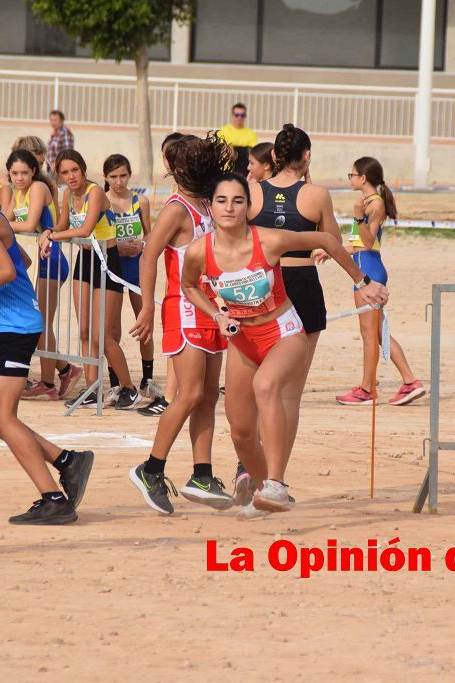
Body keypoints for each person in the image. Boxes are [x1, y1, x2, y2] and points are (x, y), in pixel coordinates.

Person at [181, 173, 388, 517]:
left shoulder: (270, 240)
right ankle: (268, 494)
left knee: (267, 386)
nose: (230, 208)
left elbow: (326, 238)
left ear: (249, 207)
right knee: (241, 431)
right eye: (222, 201)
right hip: (243, 340)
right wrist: (217, 315)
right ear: (211, 207)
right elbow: (190, 286)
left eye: (238, 201)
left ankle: (276, 482)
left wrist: (363, 281)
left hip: (284, 331)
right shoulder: (199, 251)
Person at [0, 147, 94, 525]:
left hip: (17, 327)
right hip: (9, 327)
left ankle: (53, 497)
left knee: (3, 416)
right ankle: (66, 460)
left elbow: (8, 269)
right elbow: (22, 262)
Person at [128, 134, 233, 514]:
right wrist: (145, 310)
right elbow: (148, 256)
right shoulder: (176, 210)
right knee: (188, 394)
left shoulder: (207, 203)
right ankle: (150, 469)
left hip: (211, 308)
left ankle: (201, 474)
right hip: (184, 306)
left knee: (207, 395)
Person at [243, 124, 340, 502]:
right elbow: (330, 241)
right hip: (299, 286)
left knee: (255, 386)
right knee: (288, 395)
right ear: (307, 156)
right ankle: (273, 478)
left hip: (258, 287)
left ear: (274, 157)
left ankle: (252, 468)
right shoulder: (316, 194)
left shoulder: (252, 192)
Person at [39, 150, 141, 410]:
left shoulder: (95, 192)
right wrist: (50, 230)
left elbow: (85, 229)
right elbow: (63, 224)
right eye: (65, 172)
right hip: (84, 261)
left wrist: (53, 237)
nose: (71, 176)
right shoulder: (67, 195)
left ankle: (129, 389)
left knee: (103, 335)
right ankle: (92, 388)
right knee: (83, 330)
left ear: (83, 170)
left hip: (107, 260)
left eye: (74, 170)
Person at [338, 157, 426, 407]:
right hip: (368, 264)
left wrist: (356, 218)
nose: (351, 179)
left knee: (369, 334)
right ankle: (409, 381)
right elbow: (359, 244)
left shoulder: (373, 205)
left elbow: (366, 242)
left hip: (370, 271)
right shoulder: (369, 202)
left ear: (362, 178)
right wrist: (332, 250)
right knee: (378, 333)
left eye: (352, 175)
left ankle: (367, 389)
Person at [3, 149, 78, 402]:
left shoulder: (37, 188)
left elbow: (27, 223)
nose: (20, 177)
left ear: (34, 171)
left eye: (25, 172)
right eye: (15, 173)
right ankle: (65, 370)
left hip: (52, 258)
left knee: (40, 323)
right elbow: (6, 218)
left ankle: (50, 381)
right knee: (38, 323)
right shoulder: (18, 193)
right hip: (38, 262)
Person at [103, 153, 163, 400]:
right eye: (114, 176)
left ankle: (147, 380)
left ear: (130, 175)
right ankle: (116, 382)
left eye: (123, 175)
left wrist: (141, 245)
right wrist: (117, 245)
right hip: (113, 266)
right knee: (112, 327)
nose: (119, 181)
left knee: (144, 322)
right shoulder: (103, 201)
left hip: (137, 267)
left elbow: (150, 234)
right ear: (105, 177)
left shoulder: (141, 201)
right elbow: (98, 235)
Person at [136, 132, 188, 419]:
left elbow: (149, 253)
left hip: (187, 290)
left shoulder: (182, 205)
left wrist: (146, 306)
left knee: (179, 345)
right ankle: (171, 395)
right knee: (175, 344)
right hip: (178, 284)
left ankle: (171, 398)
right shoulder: (178, 200)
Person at [218, 103, 257, 177]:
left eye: (242, 115)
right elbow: (226, 149)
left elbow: (254, 151)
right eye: (237, 115)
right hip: (229, 168)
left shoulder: (250, 132)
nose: (239, 117)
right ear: (232, 115)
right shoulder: (224, 130)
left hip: (245, 168)